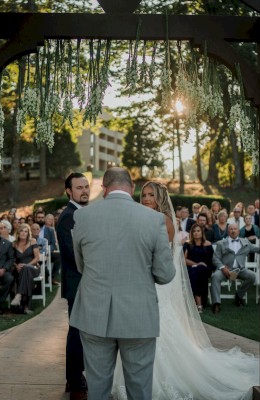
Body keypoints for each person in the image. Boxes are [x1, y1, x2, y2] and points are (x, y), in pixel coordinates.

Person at [111, 180, 260, 400]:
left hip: (156, 280)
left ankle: (155, 378)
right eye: (144, 195)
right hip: (146, 281)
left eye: (151, 195)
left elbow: (160, 254)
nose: (146, 199)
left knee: (157, 328)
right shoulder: (146, 218)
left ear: (159, 198)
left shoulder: (164, 220)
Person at [70, 168, 175, 400]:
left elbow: (80, 265)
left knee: (97, 389)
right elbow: (165, 274)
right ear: (133, 188)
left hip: (93, 313)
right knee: (139, 389)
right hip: (138, 315)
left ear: (104, 188)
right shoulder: (154, 219)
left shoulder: (83, 216)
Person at [57, 172, 91, 400]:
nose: (84, 191)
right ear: (69, 191)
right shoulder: (69, 217)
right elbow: (73, 254)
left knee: (80, 331)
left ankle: (74, 377)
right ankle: (75, 381)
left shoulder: (81, 214)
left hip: (83, 282)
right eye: (79, 187)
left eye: (86, 186)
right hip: (78, 282)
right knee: (77, 332)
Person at [210, 223, 260, 313]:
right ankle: (216, 303)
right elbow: (215, 258)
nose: (233, 231)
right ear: (228, 231)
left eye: (235, 229)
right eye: (231, 229)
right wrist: (222, 267)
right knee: (215, 277)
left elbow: (258, 249)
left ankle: (239, 296)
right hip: (225, 269)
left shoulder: (245, 242)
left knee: (252, 276)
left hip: (240, 270)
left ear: (238, 231)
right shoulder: (221, 243)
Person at [10, 223, 41, 314]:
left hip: (33, 267)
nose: (23, 233)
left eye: (26, 231)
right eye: (21, 231)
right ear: (18, 232)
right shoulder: (14, 244)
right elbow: (11, 259)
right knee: (26, 275)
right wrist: (16, 265)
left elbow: (37, 258)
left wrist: (25, 265)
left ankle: (18, 295)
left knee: (27, 269)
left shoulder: (33, 241)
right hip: (19, 270)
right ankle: (26, 307)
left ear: (28, 233)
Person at [184, 223, 215, 312]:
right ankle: (200, 303)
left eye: (198, 231)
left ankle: (196, 301)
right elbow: (184, 260)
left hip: (206, 269)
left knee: (199, 271)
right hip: (191, 268)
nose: (196, 233)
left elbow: (211, 260)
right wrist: (197, 264)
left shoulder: (207, 244)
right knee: (196, 271)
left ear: (202, 232)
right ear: (191, 233)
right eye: (194, 231)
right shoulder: (188, 244)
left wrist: (201, 266)